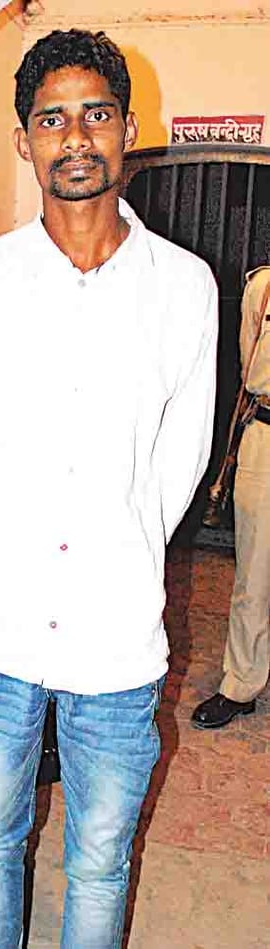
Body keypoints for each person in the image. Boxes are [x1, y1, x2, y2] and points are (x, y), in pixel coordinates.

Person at [0, 29, 217, 949]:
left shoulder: (184, 286)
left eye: (95, 114)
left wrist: (115, 544)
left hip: (115, 633)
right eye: (52, 119)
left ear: (128, 130)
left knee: (101, 857)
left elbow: (178, 462)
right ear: (23, 140)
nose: (75, 137)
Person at [192, 265, 270, 729]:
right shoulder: (262, 288)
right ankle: (241, 683)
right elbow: (248, 367)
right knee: (254, 575)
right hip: (266, 435)